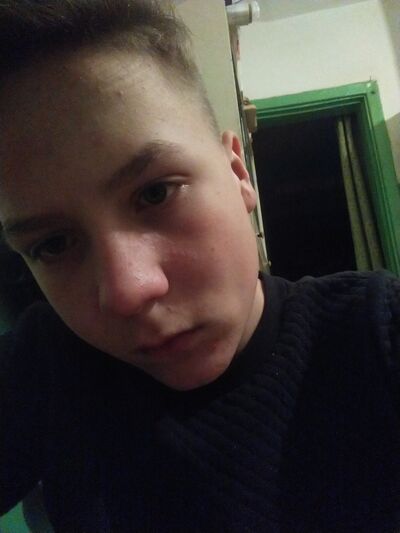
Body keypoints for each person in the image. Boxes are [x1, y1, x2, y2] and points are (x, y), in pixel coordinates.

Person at [0, 1, 399, 531]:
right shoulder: (46, 368)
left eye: (156, 193)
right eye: (53, 244)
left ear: (239, 174)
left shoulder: (379, 331)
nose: (128, 291)